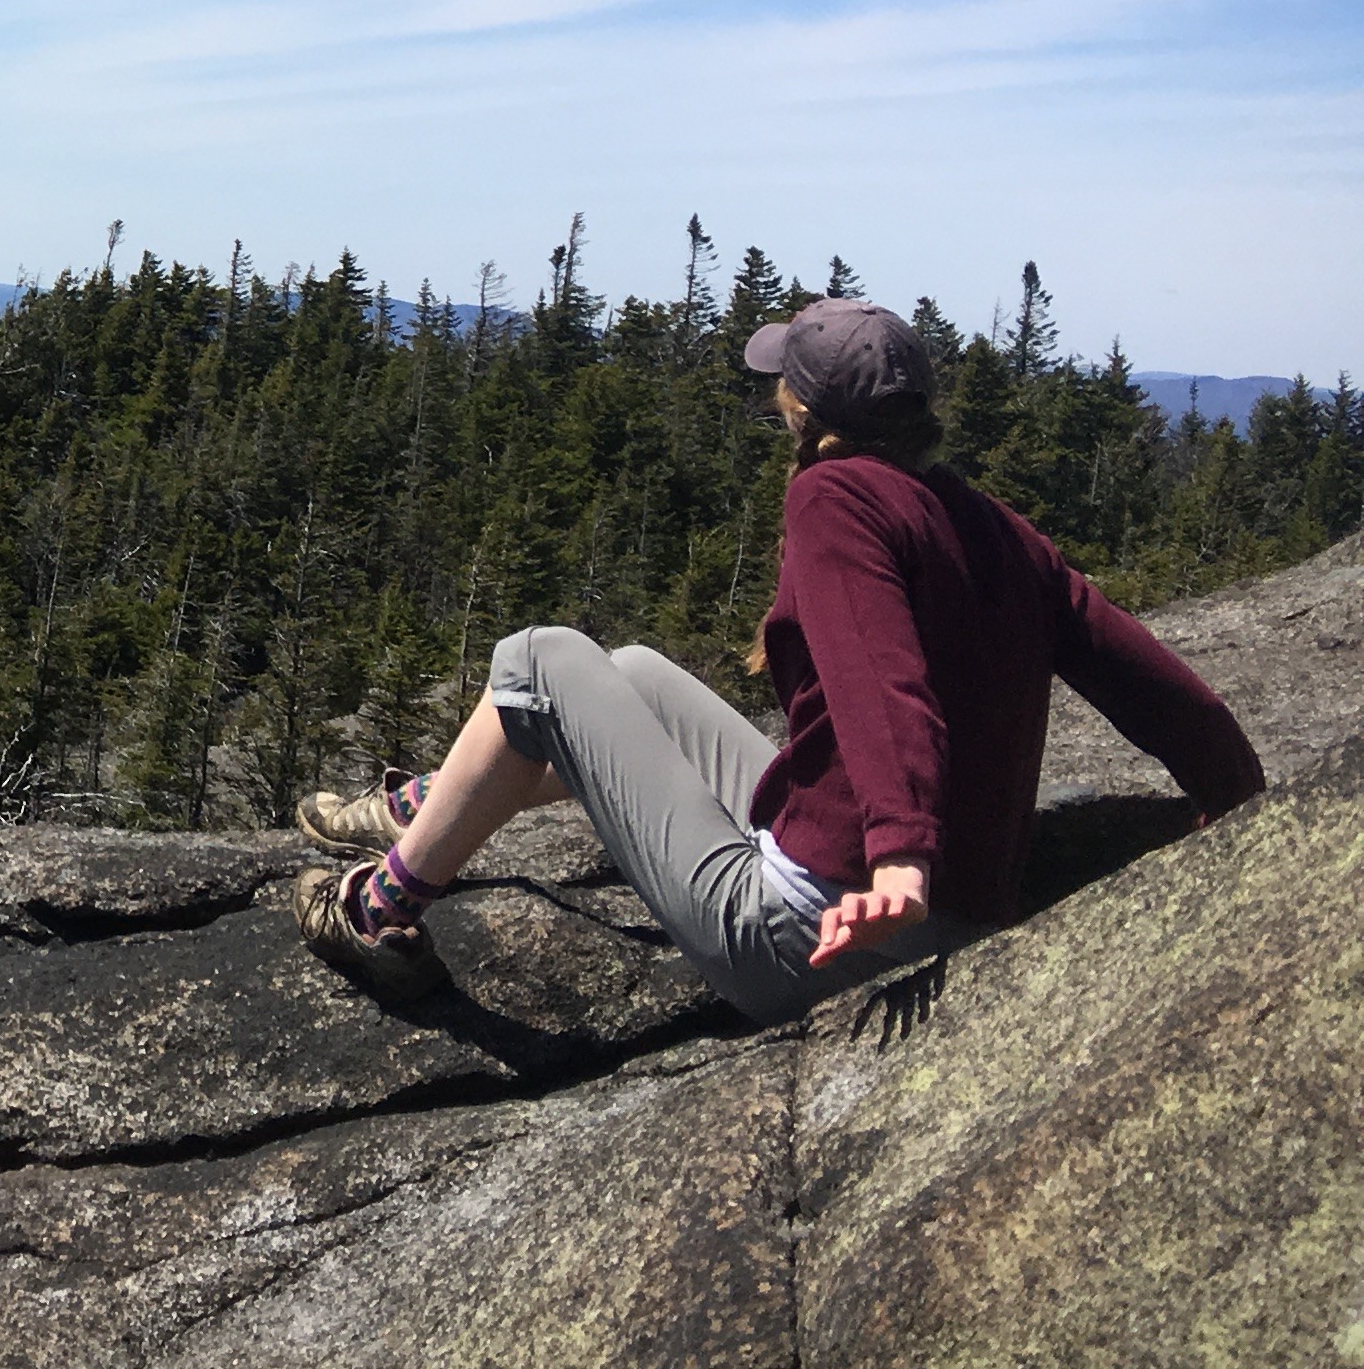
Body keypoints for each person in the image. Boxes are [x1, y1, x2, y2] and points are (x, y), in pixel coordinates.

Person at [288, 297, 1265, 1018]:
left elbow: (889, 694)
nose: (776, 398)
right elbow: (1154, 684)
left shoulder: (837, 497)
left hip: (813, 932)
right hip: (942, 903)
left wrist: (900, 860)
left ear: (807, 413)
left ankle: (378, 913)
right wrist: (1241, 796)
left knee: (537, 658)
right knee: (627, 671)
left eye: (781, 387)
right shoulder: (998, 529)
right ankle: (438, 803)